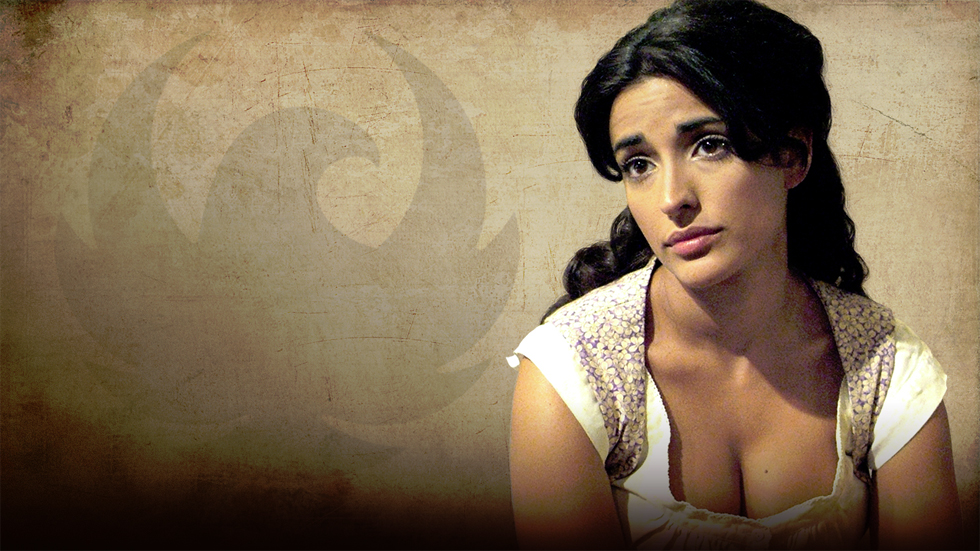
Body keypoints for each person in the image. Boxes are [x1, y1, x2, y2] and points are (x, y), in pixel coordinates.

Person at [507, 0, 961, 548]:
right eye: (639, 164)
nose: (672, 198)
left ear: (792, 156)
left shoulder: (885, 369)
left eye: (709, 145)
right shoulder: (572, 371)